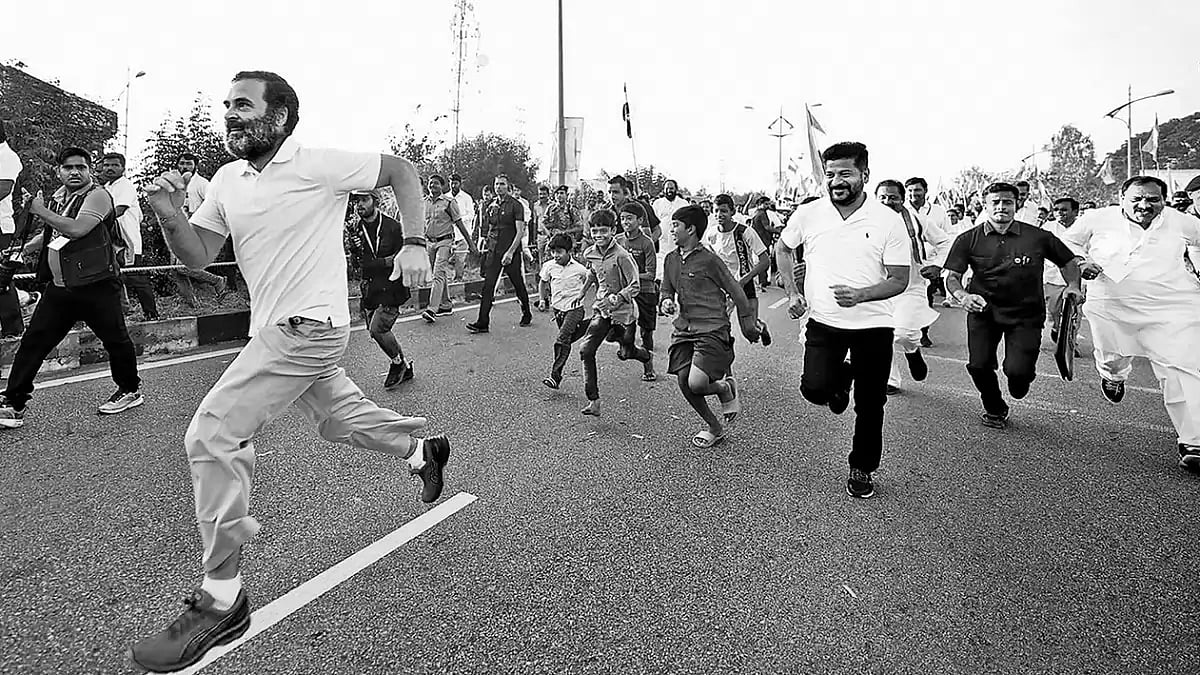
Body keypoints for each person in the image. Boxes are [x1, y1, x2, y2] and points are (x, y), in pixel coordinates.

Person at [128, 71, 450, 673]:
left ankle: (222, 597)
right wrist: (167, 211)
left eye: (243, 105)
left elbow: (402, 170)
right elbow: (198, 257)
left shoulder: (316, 165)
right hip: (277, 332)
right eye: (226, 106)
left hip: (308, 328)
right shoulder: (227, 180)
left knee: (212, 434)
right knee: (337, 419)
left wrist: (414, 241)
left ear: (279, 115)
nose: (230, 114)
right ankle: (418, 448)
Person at [776, 141, 910, 500]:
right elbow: (784, 248)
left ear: (864, 175)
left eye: (845, 173)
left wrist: (862, 294)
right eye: (830, 174)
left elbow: (900, 279)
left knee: (871, 404)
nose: (837, 181)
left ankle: (862, 467)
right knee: (813, 390)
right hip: (824, 321)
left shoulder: (888, 220)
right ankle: (841, 379)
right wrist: (792, 291)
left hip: (874, 326)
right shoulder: (810, 214)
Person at [1062, 176, 1200, 472]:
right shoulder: (1097, 218)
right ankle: (1113, 374)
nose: (1144, 205)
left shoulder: (1179, 222)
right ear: (1122, 198)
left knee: (1181, 367)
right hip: (1111, 303)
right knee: (1113, 357)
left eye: (1153, 199)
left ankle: (1194, 441)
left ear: (1163, 201)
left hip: (1172, 304)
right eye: (1137, 198)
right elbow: (1067, 240)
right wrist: (1081, 260)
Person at [0, 147, 144, 430]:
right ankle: (13, 403)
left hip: (96, 285)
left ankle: (130, 390)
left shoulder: (99, 196)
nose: (75, 172)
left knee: (116, 340)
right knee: (34, 342)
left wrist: (39, 211)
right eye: (68, 167)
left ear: (91, 171)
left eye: (81, 167)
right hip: (60, 288)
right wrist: (24, 248)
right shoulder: (58, 198)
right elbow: (52, 233)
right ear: (59, 171)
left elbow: (77, 229)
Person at [943, 182, 1083, 430]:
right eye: (995, 202)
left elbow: (1068, 261)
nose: (1001, 207)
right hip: (983, 312)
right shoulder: (967, 239)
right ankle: (994, 406)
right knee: (978, 366)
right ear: (985, 206)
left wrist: (1073, 285)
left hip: (1026, 315)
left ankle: (1020, 379)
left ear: (1016, 205)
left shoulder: (1039, 237)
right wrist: (963, 296)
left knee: (1018, 374)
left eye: (1007, 202)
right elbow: (952, 276)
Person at [660, 204, 761, 448]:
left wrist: (749, 324)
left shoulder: (710, 260)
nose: (671, 230)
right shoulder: (671, 259)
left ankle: (725, 388)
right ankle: (714, 427)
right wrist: (665, 302)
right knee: (684, 382)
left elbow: (737, 293)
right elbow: (666, 289)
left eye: (676, 225)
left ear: (691, 229)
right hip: (684, 330)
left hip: (713, 329)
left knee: (697, 382)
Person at [874, 180, 950, 395]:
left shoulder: (917, 220)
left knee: (904, 333)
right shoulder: (865, 222)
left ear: (902, 199)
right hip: (878, 289)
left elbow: (945, 242)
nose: (888, 202)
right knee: (881, 333)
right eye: (883, 197)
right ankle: (891, 379)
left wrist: (937, 265)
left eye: (893, 197)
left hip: (910, 287)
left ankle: (912, 349)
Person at [576, 209, 654, 416]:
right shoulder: (589, 253)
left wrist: (618, 297)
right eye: (594, 231)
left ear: (612, 230)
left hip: (623, 313)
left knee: (627, 353)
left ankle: (646, 357)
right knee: (586, 350)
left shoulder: (623, 256)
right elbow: (593, 272)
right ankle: (594, 401)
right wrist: (583, 292)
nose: (598, 235)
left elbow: (635, 285)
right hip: (602, 310)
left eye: (603, 230)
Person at [346, 188, 415, 388]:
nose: (360, 205)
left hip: (391, 287)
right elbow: (359, 265)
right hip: (371, 289)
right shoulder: (356, 229)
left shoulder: (392, 227)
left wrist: (381, 263)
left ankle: (397, 363)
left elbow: (403, 256)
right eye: (357, 201)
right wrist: (354, 251)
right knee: (374, 330)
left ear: (375, 201)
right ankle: (405, 367)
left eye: (364, 200)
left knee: (378, 329)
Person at [467, 174, 533, 333]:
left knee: (518, 284)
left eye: (502, 184)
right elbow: (489, 228)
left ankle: (526, 312)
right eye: (496, 184)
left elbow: (520, 232)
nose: (499, 187)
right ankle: (483, 322)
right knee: (488, 286)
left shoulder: (516, 205)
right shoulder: (492, 205)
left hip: (510, 252)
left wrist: (510, 252)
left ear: (508, 186)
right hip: (494, 251)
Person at [98, 152, 159, 321]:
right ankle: (122, 311)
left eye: (114, 165)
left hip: (127, 242)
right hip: (112, 240)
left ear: (123, 168)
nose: (109, 168)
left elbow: (120, 209)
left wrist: (94, 224)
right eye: (107, 165)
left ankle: (151, 314)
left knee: (135, 278)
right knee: (112, 277)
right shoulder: (107, 187)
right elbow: (138, 216)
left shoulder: (124, 185)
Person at [538, 233, 592, 389]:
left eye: (560, 251)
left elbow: (591, 280)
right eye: (553, 251)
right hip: (558, 311)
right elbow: (543, 283)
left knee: (561, 340)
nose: (556, 255)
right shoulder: (549, 266)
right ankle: (594, 324)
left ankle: (555, 376)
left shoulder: (580, 269)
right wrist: (543, 300)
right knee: (566, 341)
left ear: (569, 251)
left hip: (575, 309)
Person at [703, 193, 770, 319]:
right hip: (724, 284)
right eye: (716, 211)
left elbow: (765, 260)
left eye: (724, 211)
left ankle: (761, 328)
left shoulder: (745, 232)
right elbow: (711, 260)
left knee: (750, 330)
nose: (719, 215)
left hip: (745, 282)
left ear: (732, 212)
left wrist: (744, 280)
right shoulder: (711, 234)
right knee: (720, 323)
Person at [173, 154, 228, 307]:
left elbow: (215, 203)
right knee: (175, 270)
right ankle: (192, 304)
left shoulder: (202, 184)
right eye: (182, 163)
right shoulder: (175, 183)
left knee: (181, 266)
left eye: (188, 164)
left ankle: (217, 281)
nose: (184, 166)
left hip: (195, 229)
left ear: (195, 165)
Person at [420, 174, 475, 323]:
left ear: (442, 186)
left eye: (436, 184)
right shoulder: (424, 202)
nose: (433, 186)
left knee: (438, 272)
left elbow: (460, 224)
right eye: (431, 184)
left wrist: (471, 244)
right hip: (429, 242)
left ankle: (432, 309)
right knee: (438, 272)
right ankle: (446, 304)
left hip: (445, 241)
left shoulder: (449, 202)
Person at [615, 200, 659, 381]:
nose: (625, 222)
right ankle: (627, 347)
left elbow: (650, 274)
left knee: (646, 331)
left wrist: (630, 276)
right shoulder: (617, 240)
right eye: (623, 218)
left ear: (640, 220)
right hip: (625, 293)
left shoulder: (647, 243)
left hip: (645, 292)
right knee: (619, 328)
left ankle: (648, 365)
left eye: (630, 218)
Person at [904, 177, 951, 346]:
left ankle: (923, 332)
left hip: (929, 264)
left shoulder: (938, 211)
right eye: (909, 190)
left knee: (926, 299)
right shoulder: (899, 210)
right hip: (904, 264)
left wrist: (939, 264)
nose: (913, 194)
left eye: (917, 190)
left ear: (925, 191)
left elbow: (947, 237)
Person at [0, 120, 26, 337]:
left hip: (0, 227)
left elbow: (2, 189)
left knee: (1, 280)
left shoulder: (6, 156)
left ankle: (13, 330)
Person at [1043, 197, 1082, 341]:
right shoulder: (1048, 227)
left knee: (1075, 312)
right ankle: (1056, 328)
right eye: (1056, 210)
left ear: (1075, 211)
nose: (1060, 213)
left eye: (1064, 210)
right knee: (1053, 310)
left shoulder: (1083, 227)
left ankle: (1070, 342)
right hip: (1053, 277)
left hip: (1078, 277)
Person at [652, 178, 690, 270]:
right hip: (663, 240)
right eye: (667, 188)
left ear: (676, 190)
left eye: (671, 188)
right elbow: (653, 223)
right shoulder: (657, 203)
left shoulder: (683, 203)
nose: (669, 191)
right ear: (663, 190)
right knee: (663, 264)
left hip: (678, 239)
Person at [448, 173, 475, 281]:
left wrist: (459, 220)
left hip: (463, 234)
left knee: (460, 259)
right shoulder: (446, 197)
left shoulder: (466, 198)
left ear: (460, 184)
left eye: (456, 183)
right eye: (452, 183)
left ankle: (458, 279)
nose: (453, 186)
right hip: (449, 234)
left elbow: (471, 215)